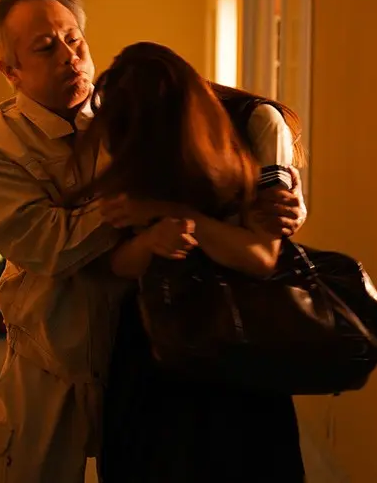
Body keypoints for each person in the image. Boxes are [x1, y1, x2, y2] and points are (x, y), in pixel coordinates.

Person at [0, 0, 306, 483]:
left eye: (74, 40)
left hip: (150, 350)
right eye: (46, 48)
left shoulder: (135, 110)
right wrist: (140, 211)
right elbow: (45, 244)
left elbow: (223, 195)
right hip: (55, 353)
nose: (70, 58)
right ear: (10, 71)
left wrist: (279, 194)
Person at [73, 42, 308, 482]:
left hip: (236, 336)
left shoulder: (256, 122)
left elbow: (260, 258)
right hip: (152, 341)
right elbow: (116, 265)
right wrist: (151, 240)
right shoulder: (124, 129)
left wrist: (172, 214)